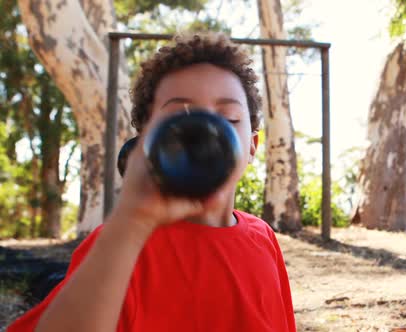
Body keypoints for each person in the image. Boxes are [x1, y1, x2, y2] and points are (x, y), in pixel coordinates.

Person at [7, 32, 296, 332]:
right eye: (181, 119)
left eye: (229, 117)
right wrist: (128, 227)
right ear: (145, 145)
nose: (207, 132)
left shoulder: (263, 237)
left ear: (252, 146)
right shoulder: (121, 245)